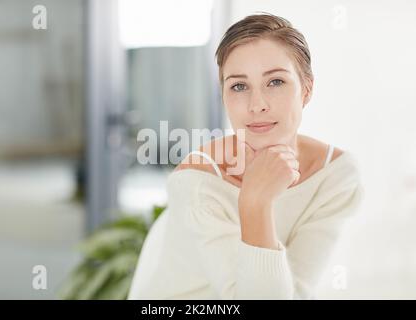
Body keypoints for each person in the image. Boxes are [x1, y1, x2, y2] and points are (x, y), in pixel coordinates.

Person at [127, 12, 364, 300]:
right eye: (239, 86)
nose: (257, 105)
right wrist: (255, 202)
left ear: (307, 89)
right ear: (224, 96)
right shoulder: (197, 182)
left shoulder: (336, 176)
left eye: (275, 82)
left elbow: (298, 293)